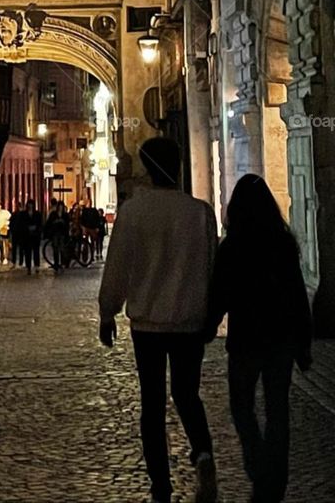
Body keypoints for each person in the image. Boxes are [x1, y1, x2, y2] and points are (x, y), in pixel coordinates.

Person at [99, 137, 218, 503]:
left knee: (152, 403)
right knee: (187, 393)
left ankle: (161, 486)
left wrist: (108, 312)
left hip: (148, 324)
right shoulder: (200, 212)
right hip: (188, 321)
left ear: (147, 168)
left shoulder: (134, 212)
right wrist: (210, 316)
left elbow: (118, 266)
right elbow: (211, 268)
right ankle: (203, 453)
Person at [206, 174, 312, 503]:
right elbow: (297, 294)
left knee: (242, 406)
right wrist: (304, 343)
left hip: (246, 339)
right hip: (280, 338)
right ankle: (275, 476)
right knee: (278, 409)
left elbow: (220, 294)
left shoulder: (232, 246)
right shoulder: (283, 243)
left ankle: (258, 465)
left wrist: (208, 327)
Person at [43, 200, 69, 273]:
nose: (60, 208)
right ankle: (56, 264)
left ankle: (62, 263)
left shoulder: (65, 215)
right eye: (59, 207)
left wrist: (63, 223)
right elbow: (49, 223)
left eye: (61, 207)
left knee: (62, 249)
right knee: (55, 249)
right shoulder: (53, 214)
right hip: (55, 233)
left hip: (62, 233)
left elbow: (67, 224)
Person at [21, 198, 42, 274]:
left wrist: (36, 228)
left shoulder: (37, 214)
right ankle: (28, 267)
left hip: (35, 235)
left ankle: (36, 266)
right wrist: (27, 228)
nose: (30, 206)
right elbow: (22, 224)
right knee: (28, 252)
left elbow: (40, 224)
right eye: (29, 204)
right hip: (27, 236)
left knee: (36, 251)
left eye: (31, 204)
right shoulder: (23, 214)